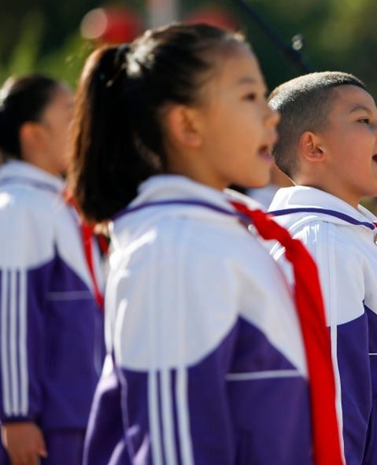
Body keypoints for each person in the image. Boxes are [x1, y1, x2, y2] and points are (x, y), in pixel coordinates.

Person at [68, 23, 342, 465]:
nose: (271, 116)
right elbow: (170, 448)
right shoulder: (173, 247)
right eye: (250, 97)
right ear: (187, 123)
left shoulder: (214, 233)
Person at [266, 71, 377, 465]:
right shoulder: (322, 243)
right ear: (314, 147)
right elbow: (332, 405)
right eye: (364, 120)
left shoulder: (350, 238)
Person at [0, 74, 104, 465]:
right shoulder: (15, 206)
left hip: (76, 413)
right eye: (70, 112)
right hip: (43, 425)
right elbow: (12, 313)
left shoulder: (55, 203)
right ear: (34, 135)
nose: (82, 123)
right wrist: (17, 414)